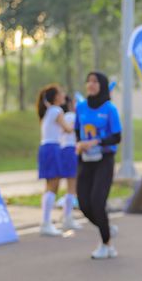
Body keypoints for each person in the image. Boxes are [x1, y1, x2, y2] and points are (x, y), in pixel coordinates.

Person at [75, 72, 122, 259]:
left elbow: (117, 136)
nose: (91, 84)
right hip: (85, 160)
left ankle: (107, 245)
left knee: (97, 202)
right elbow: (77, 130)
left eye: (95, 81)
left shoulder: (110, 109)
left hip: (104, 159)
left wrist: (97, 142)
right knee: (84, 204)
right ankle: (107, 228)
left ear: (102, 85)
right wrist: (80, 144)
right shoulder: (81, 107)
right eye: (89, 81)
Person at [37, 85, 74, 236]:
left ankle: (46, 222)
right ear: (56, 97)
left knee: (49, 186)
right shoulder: (57, 110)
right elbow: (68, 129)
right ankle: (46, 223)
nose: (64, 95)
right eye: (61, 92)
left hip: (46, 148)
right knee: (53, 186)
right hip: (52, 148)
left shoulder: (48, 112)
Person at [59, 95, 82, 232]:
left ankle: (67, 217)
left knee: (70, 187)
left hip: (65, 150)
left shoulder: (63, 117)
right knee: (71, 187)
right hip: (70, 150)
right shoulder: (71, 116)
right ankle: (67, 218)